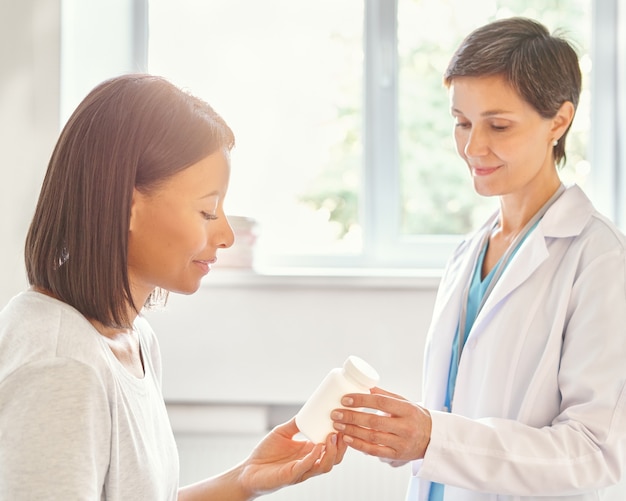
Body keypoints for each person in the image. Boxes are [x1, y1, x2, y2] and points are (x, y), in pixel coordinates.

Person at [0, 74, 347, 500]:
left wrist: (243, 481)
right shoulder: (60, 366)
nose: (226, 235)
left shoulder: (133, 339)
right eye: (207, 210)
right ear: (127, 207)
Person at [330, 16, 626, 501]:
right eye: (462, 123)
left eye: (498, 125)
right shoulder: (470, 252)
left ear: (560, 120)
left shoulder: (600, 259)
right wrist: (409, 435)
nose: (472, 147)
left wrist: (435, 438)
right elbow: (458, 414)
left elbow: (594, 449)